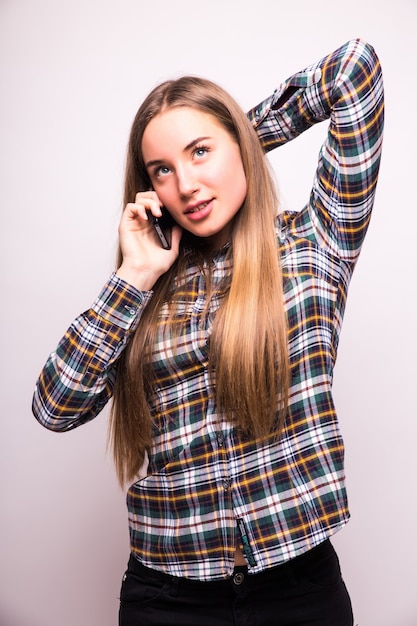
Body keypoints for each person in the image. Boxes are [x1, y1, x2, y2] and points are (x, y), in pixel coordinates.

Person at [32, 38, 384, 626]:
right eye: (162, 170)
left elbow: (354, 71)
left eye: (200, 152)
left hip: (298, 591)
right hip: (167, 596)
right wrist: (135, 274)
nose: (187, 184)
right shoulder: (145, 288)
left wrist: (243, 139)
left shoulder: (315, 246)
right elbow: (54, 406)